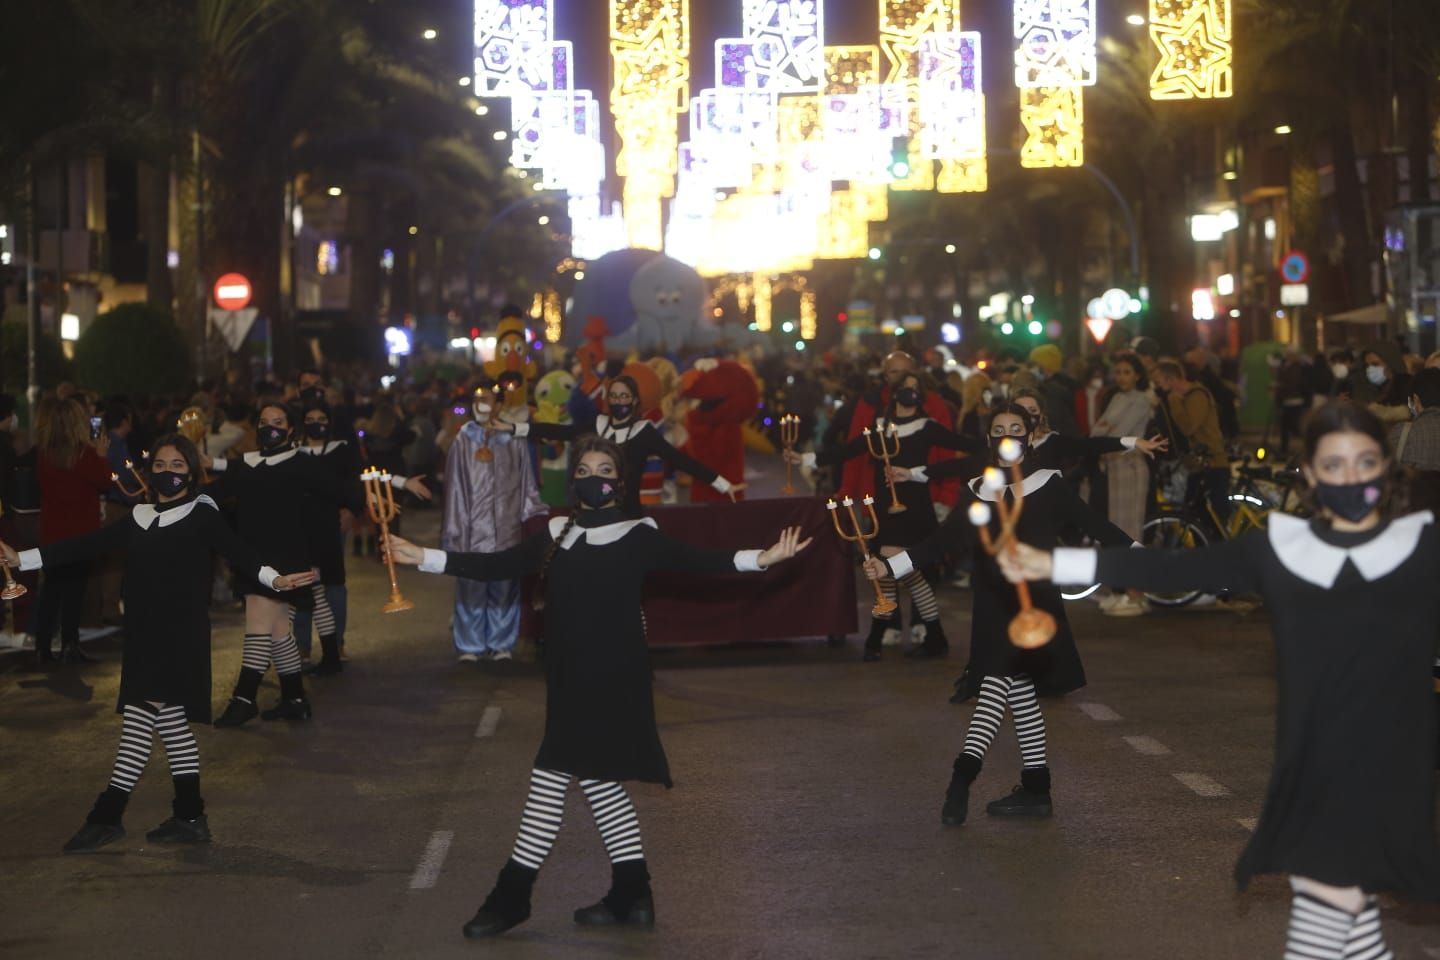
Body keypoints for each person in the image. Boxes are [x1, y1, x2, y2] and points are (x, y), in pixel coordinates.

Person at [1000, 401, 1440, 960]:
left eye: (1364, 462)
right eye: (1334, 465)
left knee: (1326, 915)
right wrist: (1057, 565)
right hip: (1314, 761)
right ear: (1309, 475)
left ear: (1387, 468)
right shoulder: (1282, 548)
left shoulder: (1422, 548)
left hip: (1391, 767)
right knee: (1340, 919)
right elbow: (1172, 570)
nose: (1350, 478)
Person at [386, 437, 812, 940]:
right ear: (574, 480)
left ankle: (510, 898)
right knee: (599, 782)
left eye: (603, 468)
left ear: (619, 480)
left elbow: (700, 560)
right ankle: (633, 894)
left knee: (550, 779)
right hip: (568, 677)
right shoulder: (552, 532)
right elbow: (496, 565)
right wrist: (425, 556)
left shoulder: (639, 533)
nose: (593, 475)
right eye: (584, 468)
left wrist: (761, 558)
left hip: (614, 679)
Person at [2, 436, 313, 852]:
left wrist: (274, 578)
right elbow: (84, 546)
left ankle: (107, 816)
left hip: (179, 635)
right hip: (144, 633)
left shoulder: (203, 514)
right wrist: (22, 559)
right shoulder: (140, 516)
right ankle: (189, 815)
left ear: (192, 472)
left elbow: (240, 552)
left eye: (178, 465)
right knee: (169, 724)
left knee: (138, 721)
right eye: (162, 464)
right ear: (151, 472)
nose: (169, 472)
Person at [864, 403, 1133, 826]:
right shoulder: (978, 489)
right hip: (992, 606)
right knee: (1019, 693)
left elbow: (1097, 526)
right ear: (989, 439)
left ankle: (961, 780)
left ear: (1029, 436)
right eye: (998, 429)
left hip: (1034, 608)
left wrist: (1152, 561)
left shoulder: (1050, 485)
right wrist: (889, 566)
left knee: (992, 689)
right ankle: (1036, 788)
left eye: (1015, 428)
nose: (1007, 434)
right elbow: (942, 542)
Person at [790, 370, 980, 660]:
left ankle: (880, 638)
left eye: (916, 388)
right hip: (884, 509)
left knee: (895, 567)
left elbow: (965, 446)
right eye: (905, 388)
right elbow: (848, 450)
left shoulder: (926, 426)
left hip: (914, 508)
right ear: (894, 392)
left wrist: (1001, 444)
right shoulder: (878, 426)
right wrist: (805, 458)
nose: (910, 393)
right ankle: (930, 636)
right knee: (896, 572)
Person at [205, 403, 362, 724]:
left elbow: (347, 490)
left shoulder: (301, 463)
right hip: (252, 558)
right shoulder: (247, 464)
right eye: (264, 422)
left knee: (259, 628)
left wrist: (393, 487)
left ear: (291, 429)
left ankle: (244, 699)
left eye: (278, 422)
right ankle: (295, 697)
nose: (270, 428)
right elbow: (213, 493)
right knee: (278, 631)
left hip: (285, 560)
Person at [294, 399, 430, 674]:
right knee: (302, 590)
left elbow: (367, 475)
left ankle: (336, 645)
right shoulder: (293, 453)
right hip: (298, 530)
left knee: (332, 588)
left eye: (321, 418)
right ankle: (302, 648)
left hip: (329, 528)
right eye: (310, 418)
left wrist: (402, 482)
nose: (316, 423)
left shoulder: (340, 450)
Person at [502, 375, 735, 516]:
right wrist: (515, 428)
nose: (618, 401)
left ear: (634, 401)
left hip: (628, 517)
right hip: (593, 514)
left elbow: (681, 460)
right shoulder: (598, 425)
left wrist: (723, 484)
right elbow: (561, 432)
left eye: (624, 396)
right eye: (614, 396)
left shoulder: (643, 433)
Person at [442, 386, 547, 663]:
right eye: (476, 400)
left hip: (506, 525)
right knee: (471, 585)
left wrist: (531, 511)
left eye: (486, 399)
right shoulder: (463, 439)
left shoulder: (513, 439)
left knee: (504, 585)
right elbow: (453, 487)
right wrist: (454, 528)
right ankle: (470, 644)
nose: (480, 404)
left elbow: (526, 479)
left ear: (498, 405)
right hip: (472, 527)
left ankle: (501, 642)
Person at [34, 397, 114, 664]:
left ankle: (42, 647)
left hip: (52, 531)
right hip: (81, 532)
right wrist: (102, 456)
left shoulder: (44, 454)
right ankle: (70, 644)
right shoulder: (84, 454)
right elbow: (105, 482)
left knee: (51, 591)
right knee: (74, 591)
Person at [1090, 354, 1159, 616]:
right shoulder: (1117, 397)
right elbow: (1100, 430)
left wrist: (1106, 432)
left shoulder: (1141, 400)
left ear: (1138, 375)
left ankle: (1135, 593)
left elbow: (1119, 433)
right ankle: (1119, 589)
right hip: (1113, 467)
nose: (1121, 377)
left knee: (1130, 530)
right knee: (1115, 528)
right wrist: (1106, 433)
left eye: (1127, 372)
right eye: (1118, 372)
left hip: (1130, 467)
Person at [1152, 360, 1230, 524]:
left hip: (1213, 463)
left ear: (1170, 379)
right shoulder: (1185, 397)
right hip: (1198, 464)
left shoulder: (1197, 396)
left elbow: (1188, 428)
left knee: (1214, 515)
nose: (1157, 387)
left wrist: (1174, 402)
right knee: (1193, 510)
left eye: (1158, 382)